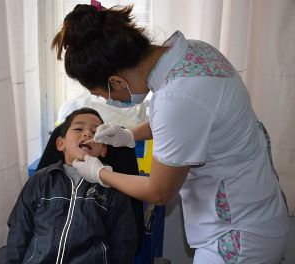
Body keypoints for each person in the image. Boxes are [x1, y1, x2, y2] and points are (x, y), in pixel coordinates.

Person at [52, 3, 290, 264]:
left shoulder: (177, 97)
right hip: (259, 209)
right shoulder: (196, 53)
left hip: (239, 234)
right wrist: (129, 135)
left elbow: (159, 191)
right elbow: (190, 122)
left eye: (102, 94)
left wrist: (101, 173)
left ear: (116, 82)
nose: (106, 101)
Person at [6, 107, 138, 264]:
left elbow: (123, 243)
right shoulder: (40, 180)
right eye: (78, 128)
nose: (87, 134)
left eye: (95, 132)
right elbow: (19, 229)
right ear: (61, 143)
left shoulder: (112, 187)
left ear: (103, 149)